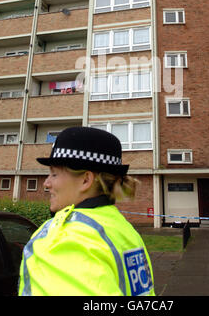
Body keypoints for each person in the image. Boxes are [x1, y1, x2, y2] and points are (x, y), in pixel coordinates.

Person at [18, 126, 155, 296]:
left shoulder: (64, 241)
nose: (46, 183)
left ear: (85, 180)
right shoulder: (123, 230)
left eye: (54, 174)